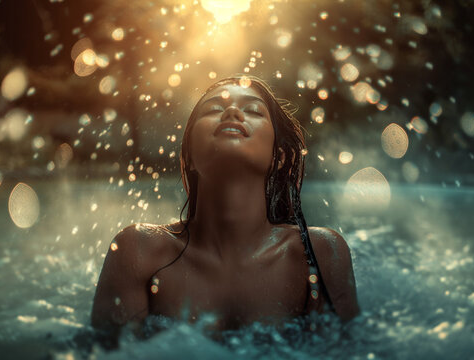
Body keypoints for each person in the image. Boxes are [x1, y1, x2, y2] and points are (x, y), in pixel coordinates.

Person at [91, 75, 359, 345]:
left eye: (253, 110)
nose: (232, 112)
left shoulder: (318, 254)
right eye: (214, 109)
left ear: (280, 157)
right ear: (189, 157)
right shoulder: (139, 251)